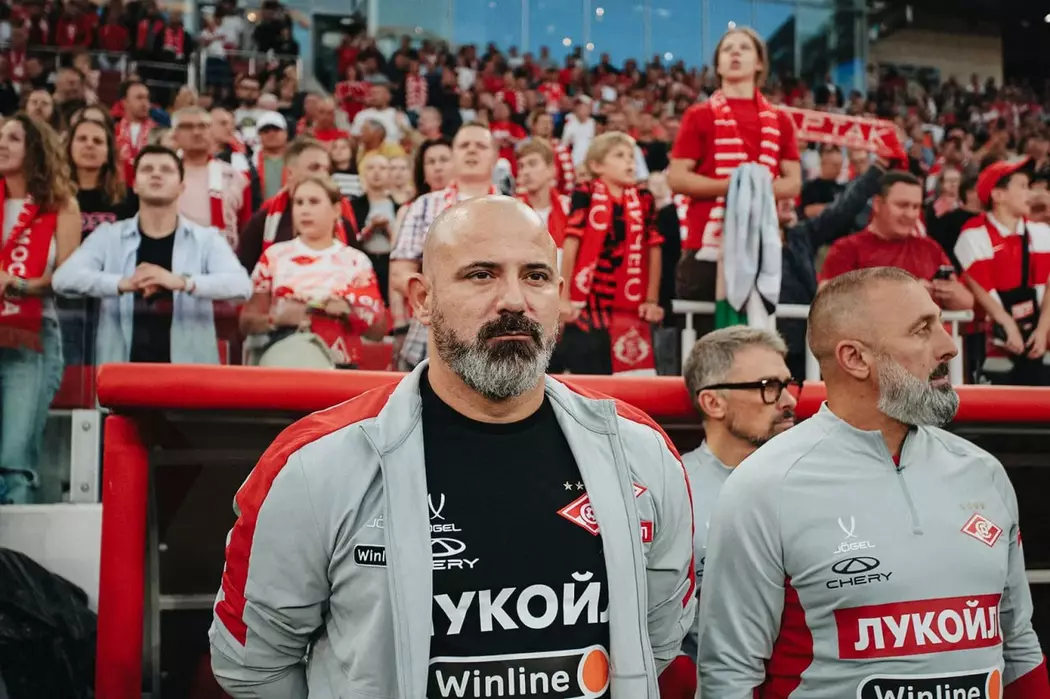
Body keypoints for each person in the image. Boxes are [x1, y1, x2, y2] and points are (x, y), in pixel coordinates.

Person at [210, 196, 695, 698]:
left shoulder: (641, 454)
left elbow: (656, 638)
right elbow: (253, 663)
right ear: (422, 299)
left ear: (558, 295)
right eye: (482, 275)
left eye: (535, 276)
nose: (514, 300)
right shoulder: (316, 464)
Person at [696, 267, 1050, 698]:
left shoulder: (984, 472)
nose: (949, 346)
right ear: (855, 358)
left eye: (940, 323)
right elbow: (729, 674)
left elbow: (1019, 647)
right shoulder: (764, 485)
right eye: (922, 330)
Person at [52, 145, 252, 366]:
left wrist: (182, 282)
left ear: (182, 187)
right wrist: (122, 283)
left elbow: (241, 286)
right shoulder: (108, 236)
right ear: (135, 185)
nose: (156, 174)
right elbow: (63, 278)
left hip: (188, 373)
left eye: (166, 170)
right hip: (120, 371)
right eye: (147, 169)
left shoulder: (206, 239)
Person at [676, 327, 799, 677]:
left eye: (788, 384)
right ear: (713, 403)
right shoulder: (673, 490)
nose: (789, 401)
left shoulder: (824, 481)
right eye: (769, 387)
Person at [667, 26, 801, 312]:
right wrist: (738, 186)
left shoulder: (780, 119)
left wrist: (750, 188)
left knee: (758, 334)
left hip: (762, 245)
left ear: (760, 63)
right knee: (701, 334)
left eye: (744, 48)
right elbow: (677, 178)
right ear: (718, 65)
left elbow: (793, 182)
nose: (735, 53)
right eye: (728, 49)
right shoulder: (699, 114)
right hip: (705, 246)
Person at [0, 113, 81, 504]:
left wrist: (15, 284)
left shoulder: (61, 205)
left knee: (14, 460)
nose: (2, 143)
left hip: (31, 340)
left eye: (13, 138)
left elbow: (67, 278)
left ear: (36, 148)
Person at [240, 176, 387, 369]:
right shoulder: (274, 256)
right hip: (285, 361)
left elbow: (378, 330)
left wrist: (349, 311)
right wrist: (275, 320)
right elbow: (246, 322)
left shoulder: (356, 262)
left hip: (341, 366)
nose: (305, 210)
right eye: (299, 203)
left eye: (314, 202)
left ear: (336, 210)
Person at [389, 122, 499, 370]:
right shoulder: (424, 205)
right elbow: (398, 274)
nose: (472, 150)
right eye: (464, 145)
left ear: (495, 157)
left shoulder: (515, 210)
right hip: (431, 334)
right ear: (453, 155)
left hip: (497, 333)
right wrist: (446, 296)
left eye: (480, 145)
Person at [557, 132, 664, 375]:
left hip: (630, 307)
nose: (629, 162)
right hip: (587, 307)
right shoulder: (585, 193)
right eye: (619, 156)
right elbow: (572, 241)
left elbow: (654, 248)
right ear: (596, 165)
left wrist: (651, 299)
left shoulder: (644, 199)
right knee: (586, 375)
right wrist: (564, 298)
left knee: (630, 383)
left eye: (631, 157)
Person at [955, 158, 1050, 385]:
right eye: (1023, 186)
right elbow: (981, 291)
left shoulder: (1042, 232)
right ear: (998, 195)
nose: (1030, 194)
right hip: (991, 346)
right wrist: (1007, 325)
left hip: (1038, 342)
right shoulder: (973, 235)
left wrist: (1043, 330)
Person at [820, 172, 974, 312]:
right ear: (878, 204)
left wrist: (952, 294)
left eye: (916, 207)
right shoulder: (847, 249)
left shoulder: (930, 248)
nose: (910, 214)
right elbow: (826, 300)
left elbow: (967, 302)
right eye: (902, 205)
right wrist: (902, 293)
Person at [238, 137, 359, 272]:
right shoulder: (263, 221)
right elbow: (244, 274)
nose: (323, 175)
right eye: (314, 168)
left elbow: (356, 270)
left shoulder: (341, 217)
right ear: (290, 173)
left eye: (326, 169)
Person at [171, 106, 248, 249]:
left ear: (211, 132)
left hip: (222, 255)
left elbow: (245, 226)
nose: (196, 132)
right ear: (175, 135)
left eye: (203, 126)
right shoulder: (164, 174)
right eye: (187, 127)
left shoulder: (234, 176)